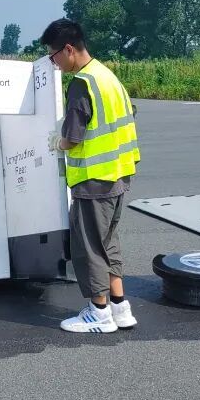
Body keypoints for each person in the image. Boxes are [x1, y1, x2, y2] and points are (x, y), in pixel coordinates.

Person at [42, 19, 140, 334]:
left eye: (53, 56)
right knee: (108, 242)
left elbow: (73, 138)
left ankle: (99, 312)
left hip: (93, 179)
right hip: (118, 175)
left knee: (89, 246)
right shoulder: (107, 77)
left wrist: (56, 142)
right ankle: (120, 307)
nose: (54, 64)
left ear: (68, 49)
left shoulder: (81, 84)